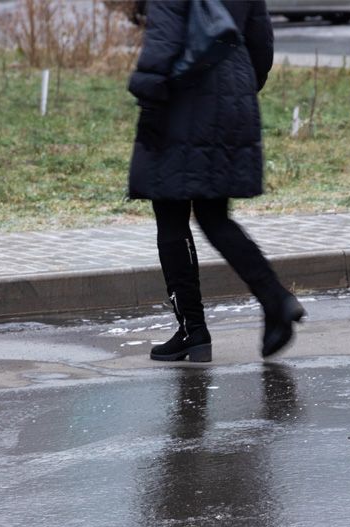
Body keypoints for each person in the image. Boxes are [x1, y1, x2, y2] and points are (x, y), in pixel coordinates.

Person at [128, 0, 305, 362]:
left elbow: (163, 41)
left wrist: (147, 94)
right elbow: (262, 41)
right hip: (232, 95)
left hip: (182, 100)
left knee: (171, 213)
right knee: (214, 216)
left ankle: (193, 330)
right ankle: (276, 299)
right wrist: (237, 86)